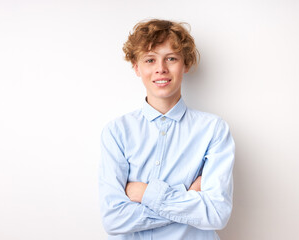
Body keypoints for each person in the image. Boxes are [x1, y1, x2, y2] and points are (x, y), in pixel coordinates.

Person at [99, 19, 235, 240]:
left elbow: (217, 214)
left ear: (186, 64)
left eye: (171, 58)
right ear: (136, 67)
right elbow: (113, 219)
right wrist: (188, 198)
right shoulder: (116, 132)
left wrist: (145, 193)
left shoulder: (213, 130)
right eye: (150, 60)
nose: (161, 69)